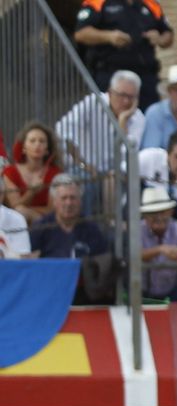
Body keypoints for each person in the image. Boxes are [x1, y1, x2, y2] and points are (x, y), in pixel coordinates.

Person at [72, 0, 171, 109]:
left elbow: (168, 33)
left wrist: (160, 39)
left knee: (148, 117)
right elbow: (80, 33)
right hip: (110, 75)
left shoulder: (151, 4)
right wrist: (109, 37)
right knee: (109, 119)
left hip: (145, 77)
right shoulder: (97, 2)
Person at [28, 176, 110, 304]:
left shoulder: (92, 229)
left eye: (73, 198)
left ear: (80, 201)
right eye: (64, 198)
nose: (68, 203)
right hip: (49, 292)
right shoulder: (41, 227)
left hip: (84, 293)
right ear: (55, 202)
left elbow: (102, 262)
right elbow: (30, 262)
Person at [56, 71, 145, 173]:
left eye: (131, 97)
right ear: (110, 92)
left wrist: (122, 121)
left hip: (114, 175)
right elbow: (63, 129)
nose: (126, 101)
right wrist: (81, 162)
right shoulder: (93, 102)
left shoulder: (138, 118)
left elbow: (128, 156)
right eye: (122, 95)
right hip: (83, 169)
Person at [138, 186, 177, 302]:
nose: (159, 217)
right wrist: (160, 249)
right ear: (145, 216)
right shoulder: (137, 230)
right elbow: (133, 255)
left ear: (171, 212)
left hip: (171, 291)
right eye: (153, 213)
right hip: (141, 294)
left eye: (162, 212)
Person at [3, 124, 63, 224]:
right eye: (32, 141)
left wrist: (29, 211)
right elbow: (14, 207)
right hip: (17, 223)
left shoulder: (55, 173)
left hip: (47, 222)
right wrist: (31, 192)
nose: (37, 145)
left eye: (42, 141)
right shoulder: (10, 172)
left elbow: (53, 209)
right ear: (23, 148)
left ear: (47, 149)